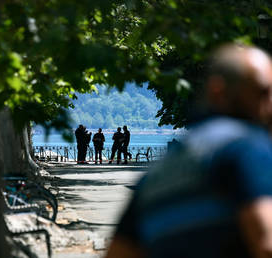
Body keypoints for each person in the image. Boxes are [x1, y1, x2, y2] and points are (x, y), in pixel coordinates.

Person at [106, 44, 272, 258]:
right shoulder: (243, 147)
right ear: (218, 91)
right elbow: (266, 242)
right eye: (262, 92)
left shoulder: (155, 175)